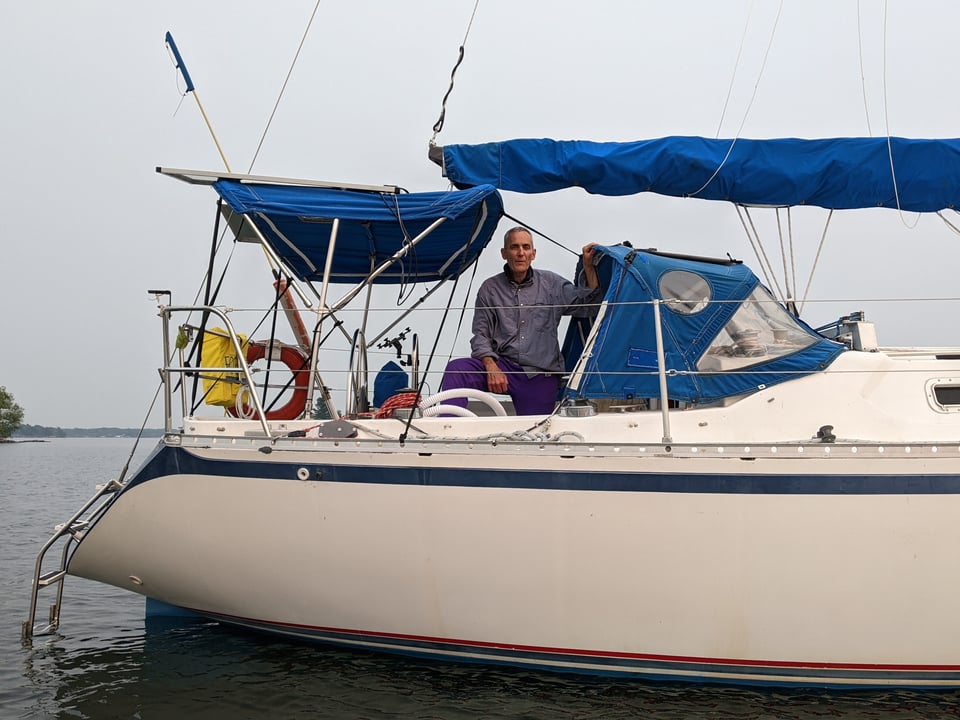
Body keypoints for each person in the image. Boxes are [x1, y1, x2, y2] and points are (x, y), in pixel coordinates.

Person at [440, 226, 601, 415]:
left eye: (526, 247)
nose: (520, 253)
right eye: (514, 247)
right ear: (504, 253)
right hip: (503, 366)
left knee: (536, 433)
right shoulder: (489, 288)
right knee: (456, 370)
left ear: (533, 254)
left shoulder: (551, 284)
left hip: (540, 374)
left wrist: (588, 267)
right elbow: (481, 334)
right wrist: (491, 366)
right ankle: (448, 428)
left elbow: (589, 305)